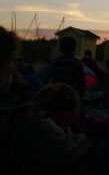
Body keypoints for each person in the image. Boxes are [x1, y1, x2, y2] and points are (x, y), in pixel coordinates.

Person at [0, 26, 93, 173]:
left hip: (55, 96)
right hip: (70, 98)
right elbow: (81, 85)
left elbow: (45, 79)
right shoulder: (23, 121)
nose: (13, 68)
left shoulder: (54, 63)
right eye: (12, 61)